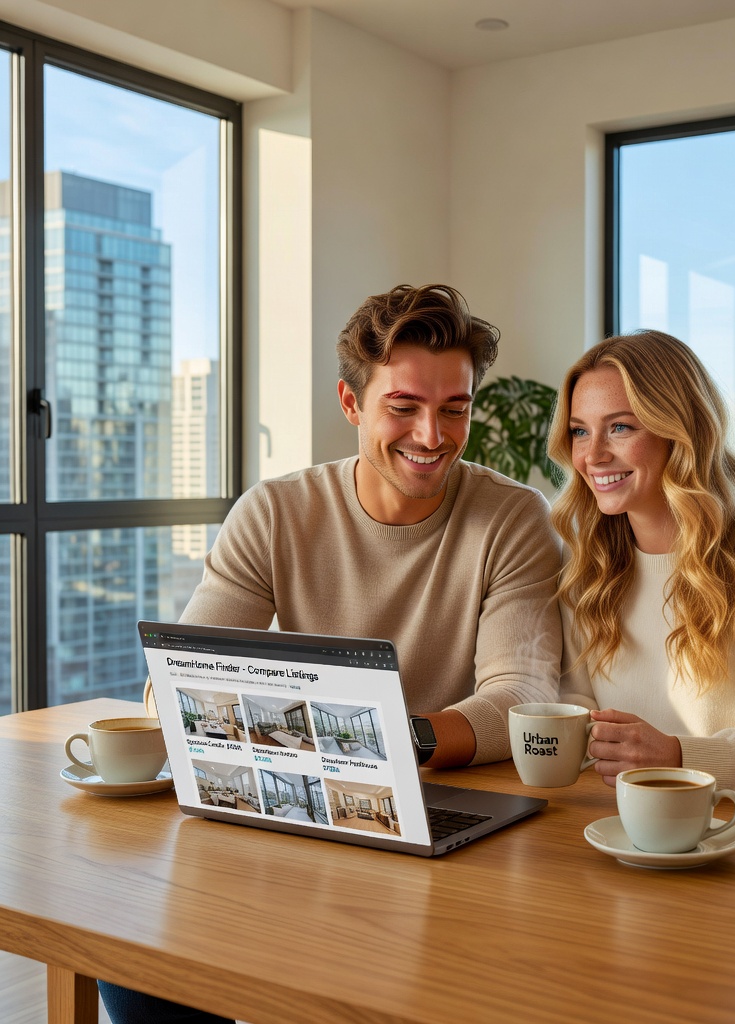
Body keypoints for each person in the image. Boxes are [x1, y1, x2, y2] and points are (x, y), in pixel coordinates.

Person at [100, 283, 562, 1024]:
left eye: (455, 408)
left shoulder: (512, 518)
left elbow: (522, 699)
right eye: (404, 407)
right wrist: (319, 743)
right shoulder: (277, 512)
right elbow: (177, 687)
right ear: (351, 404)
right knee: (139, 970)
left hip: (446, 818)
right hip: (298, 807)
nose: (433, 435)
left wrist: (388, 739)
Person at [551, 330, 735, 798]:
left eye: (621, 427)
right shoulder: (586, 559)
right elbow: (578, 705)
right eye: (580, 431)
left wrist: (679, 758)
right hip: (638, 826)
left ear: (680, 431)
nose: (592, 455)